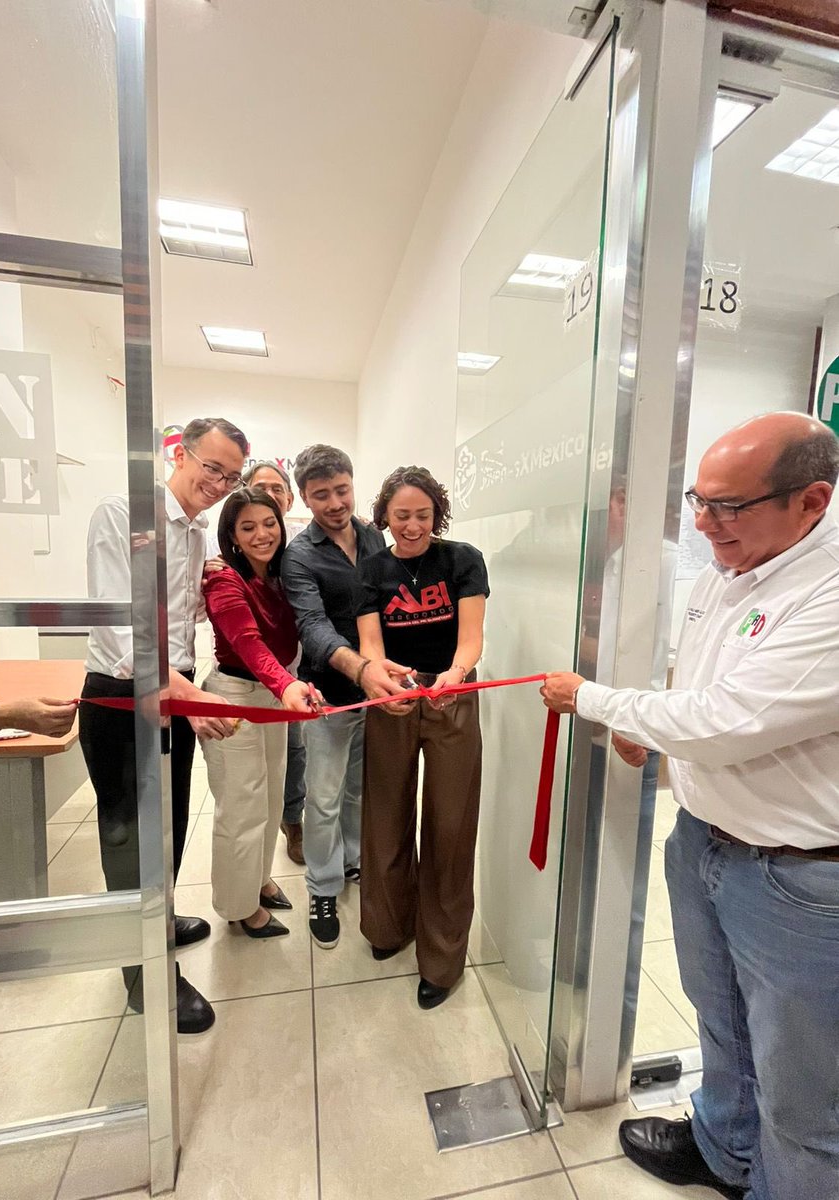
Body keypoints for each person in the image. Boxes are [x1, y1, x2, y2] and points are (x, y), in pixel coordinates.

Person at [541, 412, 839, 1200]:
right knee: (723, 1022)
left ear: (812, 500)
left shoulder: (830, 593)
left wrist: (598, 702)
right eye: (697, 501)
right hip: (706, 843)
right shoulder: (729, 567)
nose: (705, 524)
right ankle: (723, 1149)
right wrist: (663, 736)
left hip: (799, 881)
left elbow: (733, 719)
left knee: (806, 1089)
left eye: (729, 506)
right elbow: (701, 693)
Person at [80, 416, 247, 1034]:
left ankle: (160, 915)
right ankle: (144, 976)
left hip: (171, 689)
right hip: (122, 695)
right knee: (129, 835)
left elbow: (185, 615)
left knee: (170, 822)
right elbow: (118, 627)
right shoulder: (124, 513)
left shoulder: (198, 530)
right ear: (179, 453)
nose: (220, 483)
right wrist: (183, 692)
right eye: (212, 468)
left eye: (230, 476)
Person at [355, 466, 489, 1009]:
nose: (412, 526)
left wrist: (454, 678)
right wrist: (389, 678)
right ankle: (387, 928)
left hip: (452, 696)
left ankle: (442, 958)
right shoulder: (371, 568)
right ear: (384, 516)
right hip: (392, 696)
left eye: (423, 515)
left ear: (438, 514)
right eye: (402, 515)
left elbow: (471, 637)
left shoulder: (463, 560)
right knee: (385, 817)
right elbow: (368, 644)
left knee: (450, 825)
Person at [281, 444, 409, 949]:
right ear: (305, 499)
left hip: (380, 695)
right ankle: (322, 887)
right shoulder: (299, 555)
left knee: (360, 789)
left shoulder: (376, 537)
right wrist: (361, 669)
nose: (334, 503)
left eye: (341, 491)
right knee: (325, 797)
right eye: (320, 496)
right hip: (329, 695)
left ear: (353, 484)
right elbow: (311, 626)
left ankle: (353, 862)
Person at [201, 485, 318, 938]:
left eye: (269, 523)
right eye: (248, 527)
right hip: (236, 698)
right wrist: (286, 683)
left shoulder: (278, 574)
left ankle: (257, 881)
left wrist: (287, 685)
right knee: (241, 809)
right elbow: (248, 644)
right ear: (231, 533)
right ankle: (237, 907)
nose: (262, 534)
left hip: (272, 695)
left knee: (269, 800)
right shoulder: (223, 577)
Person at [243, 459, 308, 865]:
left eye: (276, 488)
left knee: (295, 750)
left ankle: (291, 820)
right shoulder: (231, 555)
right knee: (251, 771)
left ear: (288, 497)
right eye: (259, 486)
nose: (269, 493)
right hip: (248, 677)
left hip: (295, 669)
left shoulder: (300, 549)